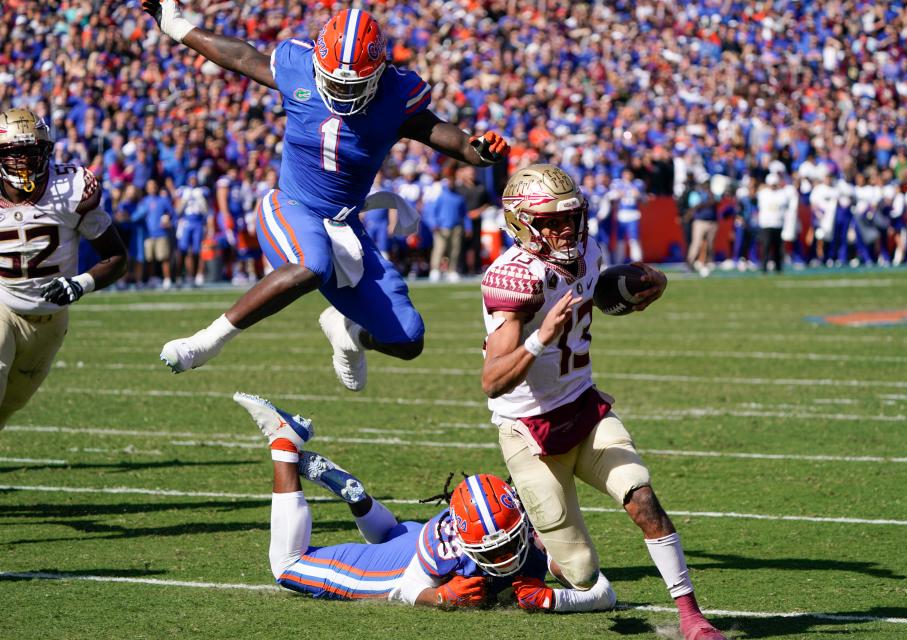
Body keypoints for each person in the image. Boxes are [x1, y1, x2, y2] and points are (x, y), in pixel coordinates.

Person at [144, 2, 509, 391]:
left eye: (351, 85)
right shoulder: (296, 66)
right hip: (291, 205)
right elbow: (238, 55)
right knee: (310, 264)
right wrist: (177, 26)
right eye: (333, 80)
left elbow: (443, 134)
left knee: (406, 339)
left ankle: (349, 331)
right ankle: (207, 341)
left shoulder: (395, 95)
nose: (339, 90)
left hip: (345, 226)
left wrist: (476, 151)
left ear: (379, 71)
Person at [479, 164, 726, 640]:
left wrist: (641, 289)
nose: (566, 228)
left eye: (571, 216)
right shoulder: (515, 278)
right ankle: (536, 541)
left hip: (584, 408)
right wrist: (540, 339)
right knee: (582, 573)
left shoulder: (588, 251)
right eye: (551, 221)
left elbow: (594, 299)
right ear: (522, 224)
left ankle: (691, 615)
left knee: (642, 495)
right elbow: (492, 380)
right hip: (528, 429)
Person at [234, 391, 617, 612]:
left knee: (391, 536)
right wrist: (440, 596)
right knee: (286, 566)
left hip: (409, 539)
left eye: (507, 543)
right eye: (493, 549)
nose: (504, 559)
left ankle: (360, 501)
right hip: (407, 564)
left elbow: (602, 591)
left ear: (520, 521)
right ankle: (285, 443)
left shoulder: (534, 533)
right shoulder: (446, 545)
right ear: (462, 537)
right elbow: (410, 587)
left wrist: (555, 599)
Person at [0, 108, 127, 427]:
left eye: (33, 151)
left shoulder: (71, 187)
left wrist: (79, 284)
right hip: (3, 304)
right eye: (16, 153)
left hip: (51, 319)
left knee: (10, 404)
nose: (25, 161)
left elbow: (116, 256)